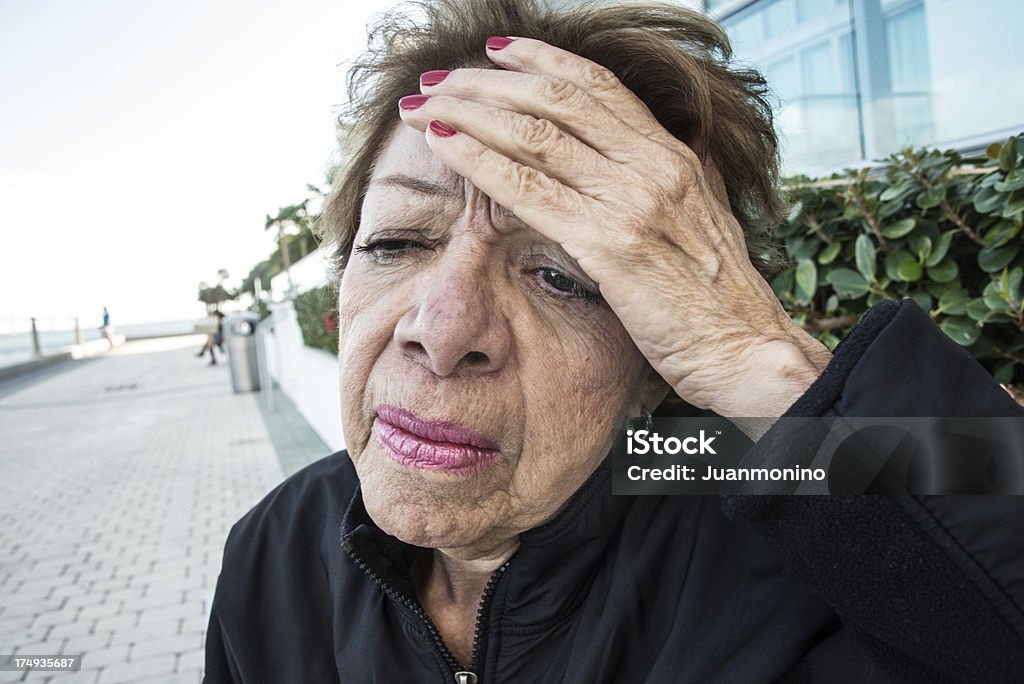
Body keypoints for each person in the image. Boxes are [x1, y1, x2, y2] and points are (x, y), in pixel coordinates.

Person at [204, 1, 1024, 682]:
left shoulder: (765, 531)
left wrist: (757, 358)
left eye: (562, 277)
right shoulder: (274, 552)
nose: (442, 331)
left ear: (653, 368)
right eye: (397, 243)